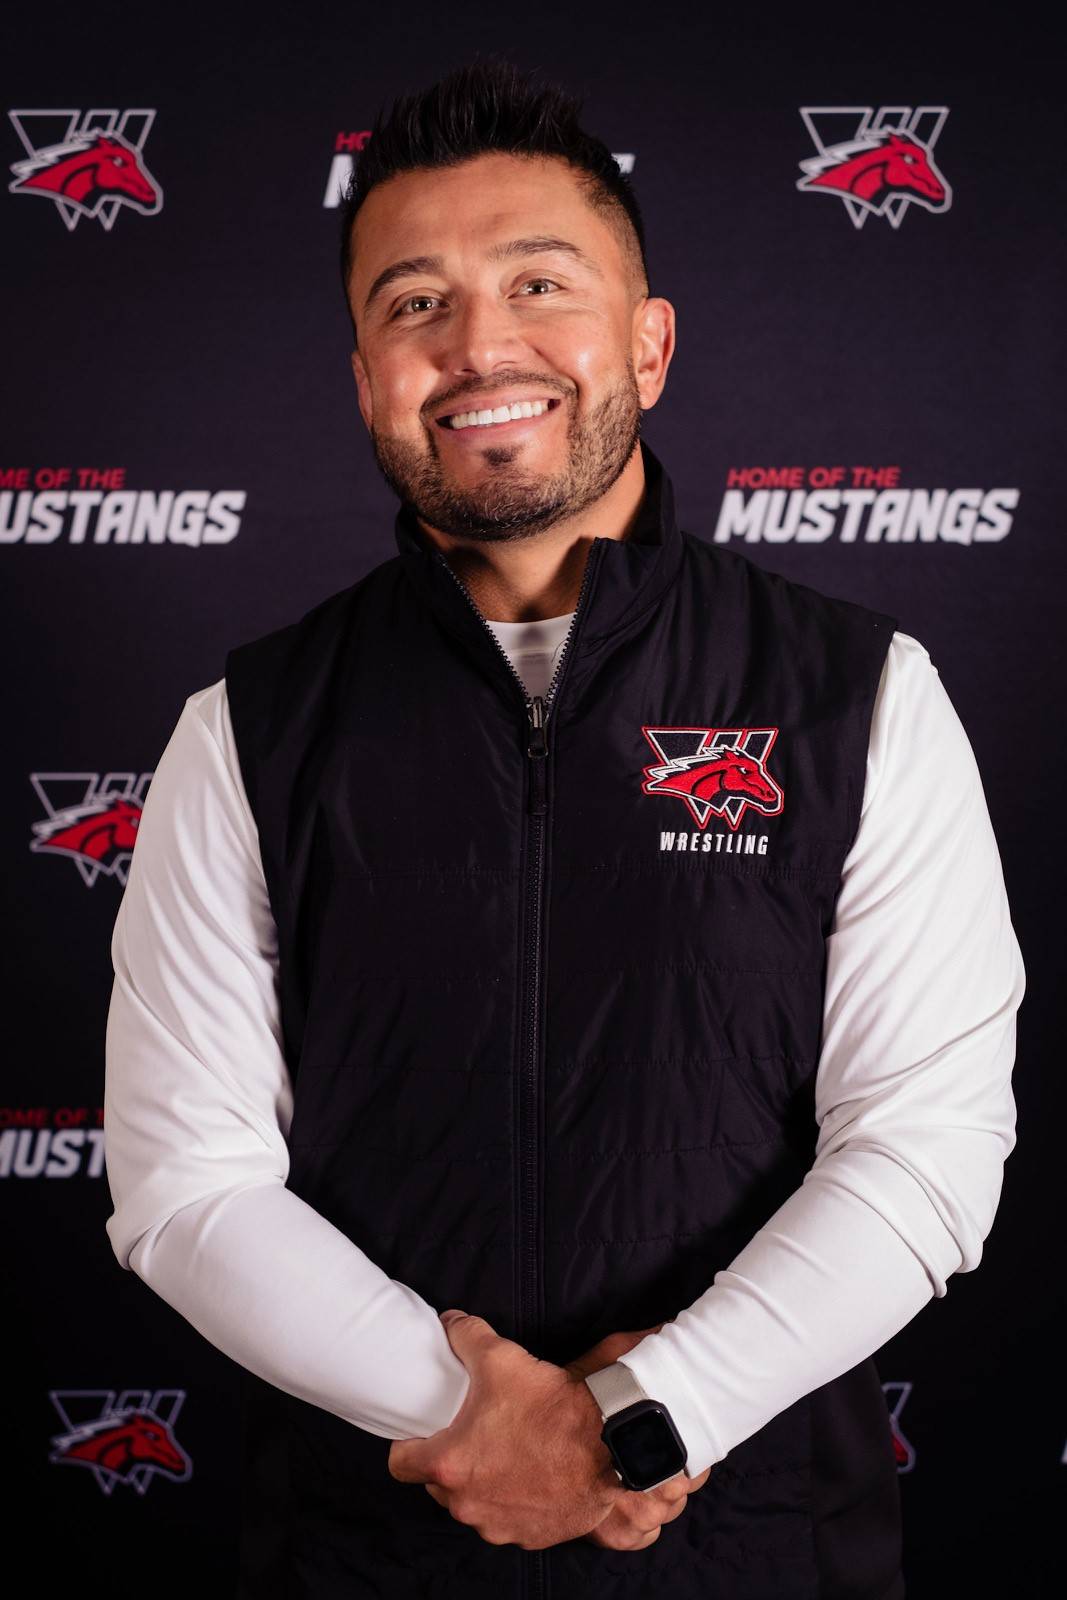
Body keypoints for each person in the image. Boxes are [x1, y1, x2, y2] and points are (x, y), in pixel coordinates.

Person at [103, 56, 1025, 1599]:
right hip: (370, 1552)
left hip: (754, 1549)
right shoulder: (247, 729)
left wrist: (641, 1422)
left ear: (647, 344)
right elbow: (187, 1187)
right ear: (365, 379)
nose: (480, 346)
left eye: (540, 282)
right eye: (416, 303)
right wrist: (474, 1419)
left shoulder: (858, 694)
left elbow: (924, 1154)